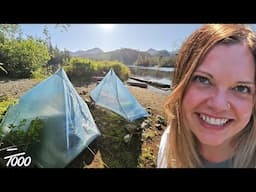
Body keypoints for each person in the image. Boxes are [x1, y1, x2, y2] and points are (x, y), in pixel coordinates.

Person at [157, 24, 256, 168]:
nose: (218, 105)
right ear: (181, 83)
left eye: (241, 88)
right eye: (203, 79)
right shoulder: (169, 142)